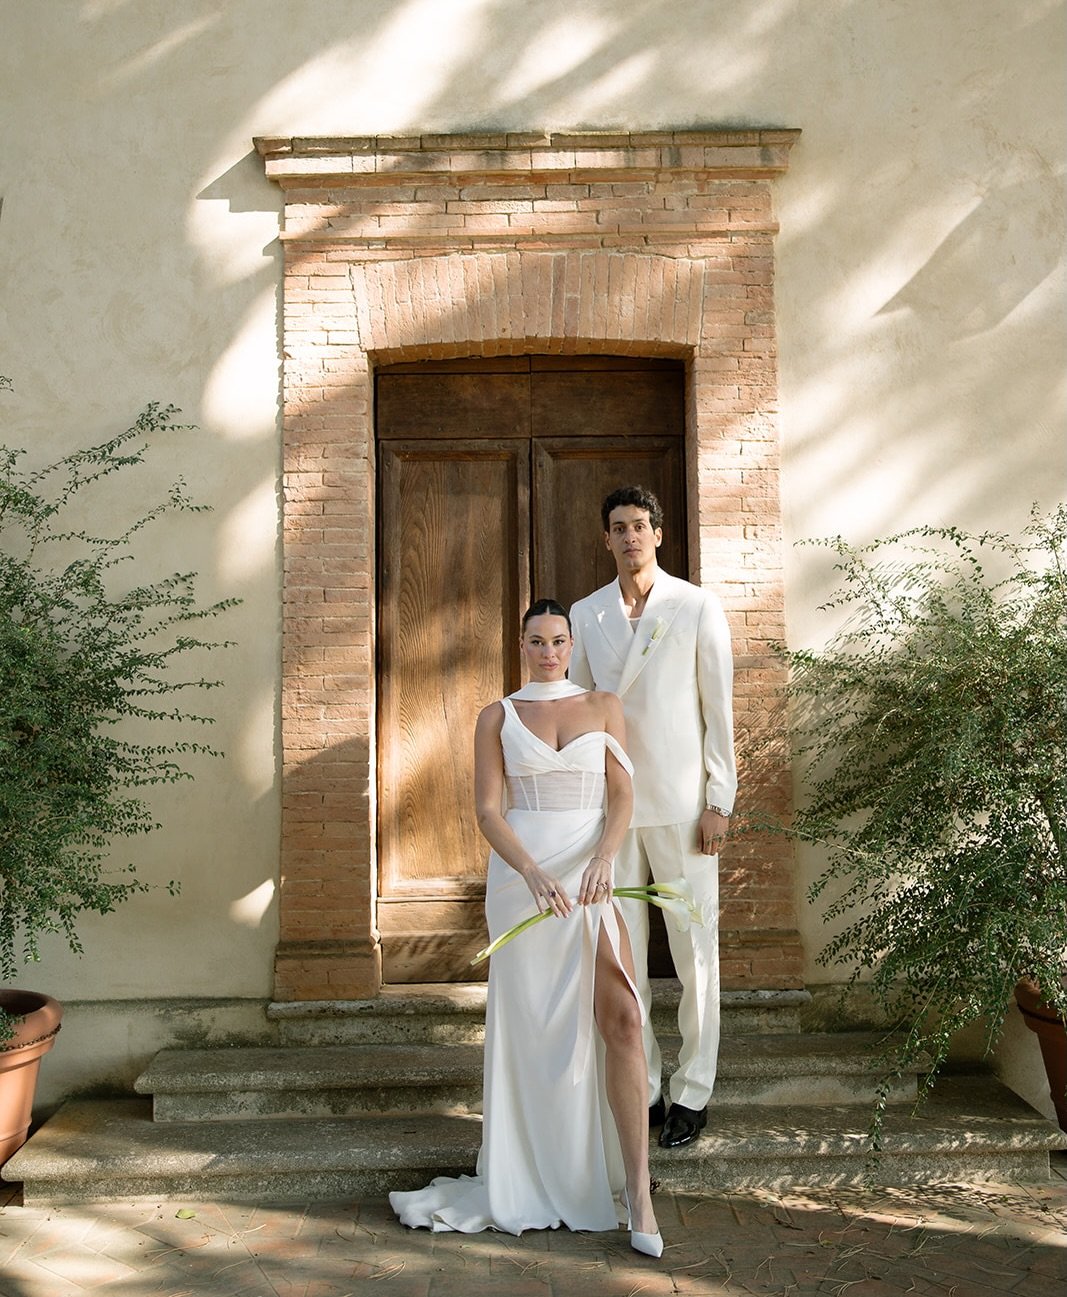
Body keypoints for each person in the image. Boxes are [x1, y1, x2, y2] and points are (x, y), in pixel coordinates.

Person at [389, 599, 662, 1257]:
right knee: (536, 1033)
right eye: (536, 641)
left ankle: (641, 1197)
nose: (547, 651)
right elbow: (487, 810)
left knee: (623, 1018)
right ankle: (532, 1176)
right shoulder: (498, 714)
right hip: (525, 881)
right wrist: (533, 872)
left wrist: (604, 856)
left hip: (594, 873)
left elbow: (622, 796)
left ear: (571, 644)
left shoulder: (602, 705)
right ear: (521, 644)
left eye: (558, 640)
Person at [569, 486, 736, 1150]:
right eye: (618, 527)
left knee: (695, 952)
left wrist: (718, 799)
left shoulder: (694, 605)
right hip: (613, 810)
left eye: (640, 525)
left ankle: (693, 1089)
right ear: (604, 539)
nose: (630, 536)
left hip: (682, 804)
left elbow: (716, 710)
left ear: (658, 534)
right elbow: (581, 711)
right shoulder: (586, 613)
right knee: (624, 955)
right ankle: (645, 1082)